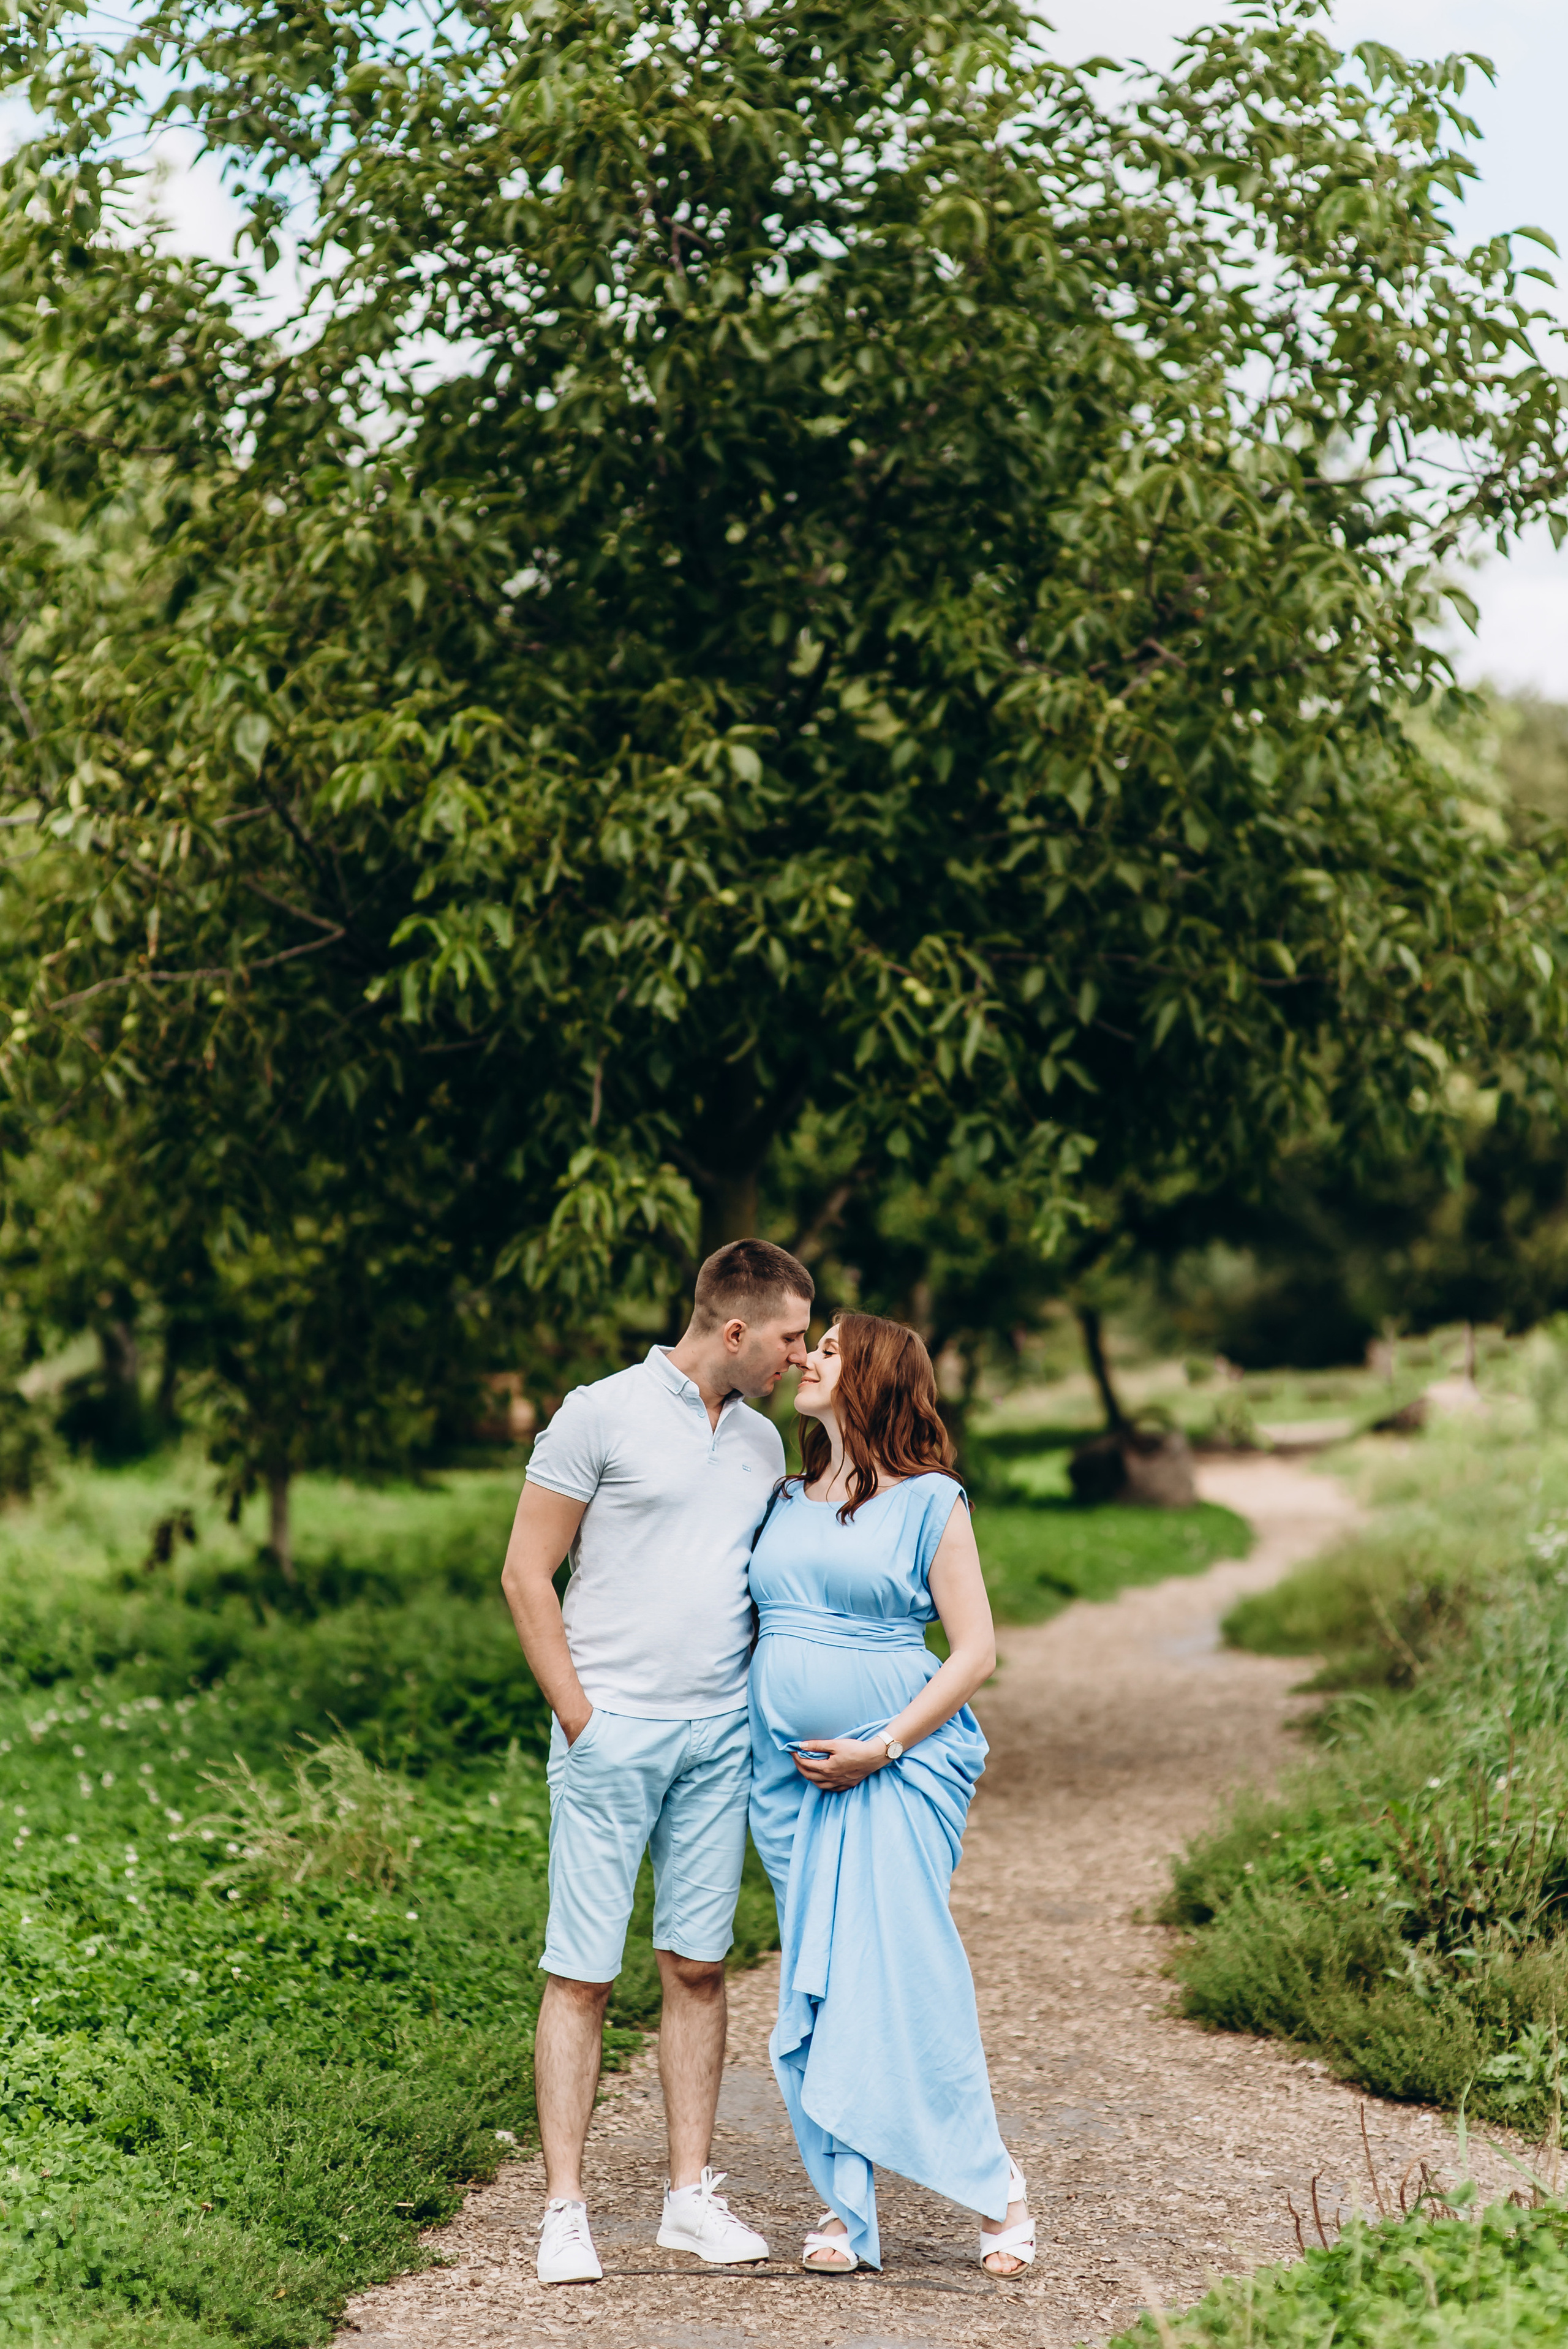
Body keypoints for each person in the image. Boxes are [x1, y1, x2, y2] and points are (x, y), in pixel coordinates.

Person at [501, 1239, 814, 2286]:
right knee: (581, 1973)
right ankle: (564, 2211)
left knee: (698, 1964)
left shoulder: (766, 1444)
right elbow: (525, 1573)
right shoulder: (598, 1411)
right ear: (734, 1331)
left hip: (718, 1736)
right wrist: (583, 1720)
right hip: (612, 1729)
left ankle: (689, 2198)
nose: (798, 1356)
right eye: (787, 1337)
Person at [747, 1311, 1036, 2277]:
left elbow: (977, 1648)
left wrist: (883, 1743)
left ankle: (994, 2186)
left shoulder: (930, 1500)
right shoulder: (785, 1494)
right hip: (785, 1775)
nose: (805, 1359)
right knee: (815, 1983)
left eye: (826, 1349)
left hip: (900, 1768)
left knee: (904, 1972)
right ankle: (843, 2205)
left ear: (870, 1373)